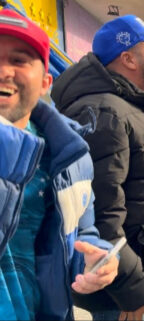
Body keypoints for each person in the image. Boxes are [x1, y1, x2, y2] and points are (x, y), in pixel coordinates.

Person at [51, 15, 144, 321]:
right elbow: (98, 213)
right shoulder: (105, 112)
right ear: (128, 59)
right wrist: (130, 286)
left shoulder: (131, 108)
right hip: (127, 293)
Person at [0, 8, 118, 320]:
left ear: (45, 82)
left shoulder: (70, 154)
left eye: (19, 59)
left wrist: (94, 260)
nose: (3, 71)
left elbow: (81, 230)